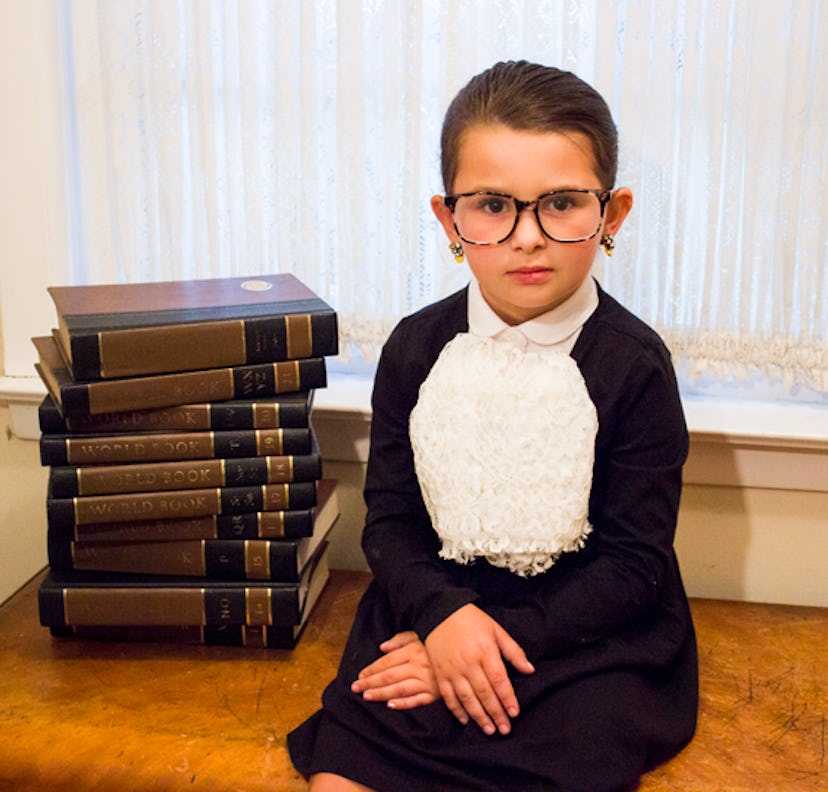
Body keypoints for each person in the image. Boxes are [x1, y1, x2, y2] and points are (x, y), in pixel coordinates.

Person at [288, 60, 698, 792]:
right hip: (432, 602)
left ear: (612, 214)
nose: (528, 237)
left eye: (562, 203)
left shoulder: (636, 366)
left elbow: (634, 564)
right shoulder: (414, 347)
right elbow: (390, 521)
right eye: (492, 206)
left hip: (583, 632)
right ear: (450, 219)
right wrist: (444, 624)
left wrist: (495, 643)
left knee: (576, 749)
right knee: (349, 761)